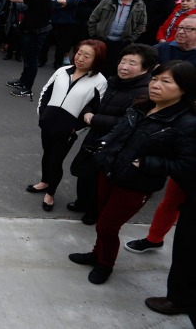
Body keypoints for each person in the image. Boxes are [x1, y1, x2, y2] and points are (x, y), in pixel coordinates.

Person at [69, 60, 196, 285]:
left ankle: (105, 264)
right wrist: (103, 151)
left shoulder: (186, 123)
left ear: (184, 87)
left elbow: (187, 165)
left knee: (107, 225)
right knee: (103, 221)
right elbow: (118, 132)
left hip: (136, 184)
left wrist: (147, 163)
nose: (155, 85)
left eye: (165, 81)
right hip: (109, 172)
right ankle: (97, 253)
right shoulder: (140, 106)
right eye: (155, 79)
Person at [67, 44, 157, 225]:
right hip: (94, 136)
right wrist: (87, 111)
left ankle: (94, 211)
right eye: (123, 61)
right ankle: (81, 202)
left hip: (113, 144)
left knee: (98, 179)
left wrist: (94, 119)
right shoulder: (112, 81)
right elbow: (92, 100)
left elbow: (127, 123)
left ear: (145, 69)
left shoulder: (144, 93)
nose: (124, 66)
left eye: (132, 63)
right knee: (84, 172)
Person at [26, 40, 107, 211]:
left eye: (87, 56)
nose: (80, 58)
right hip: (48, 123)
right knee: (47, 154)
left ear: (97, 59)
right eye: (79, 53)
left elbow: (95, 110)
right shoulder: (62, 71)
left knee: (56, 160)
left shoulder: (100, 81)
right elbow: (45, 92)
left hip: (68, 131)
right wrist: (42, 115)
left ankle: (51, 192)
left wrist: (76, 130)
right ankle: (44, 182)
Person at [87, 0, 148, 77]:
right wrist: (94, 36)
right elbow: (93, 18)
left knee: (113, 69)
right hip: (102, 40)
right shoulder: (108, 0)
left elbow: (142, 24)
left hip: (122, 43)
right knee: (96, 66)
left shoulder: (140, 5)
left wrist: (130, 39)